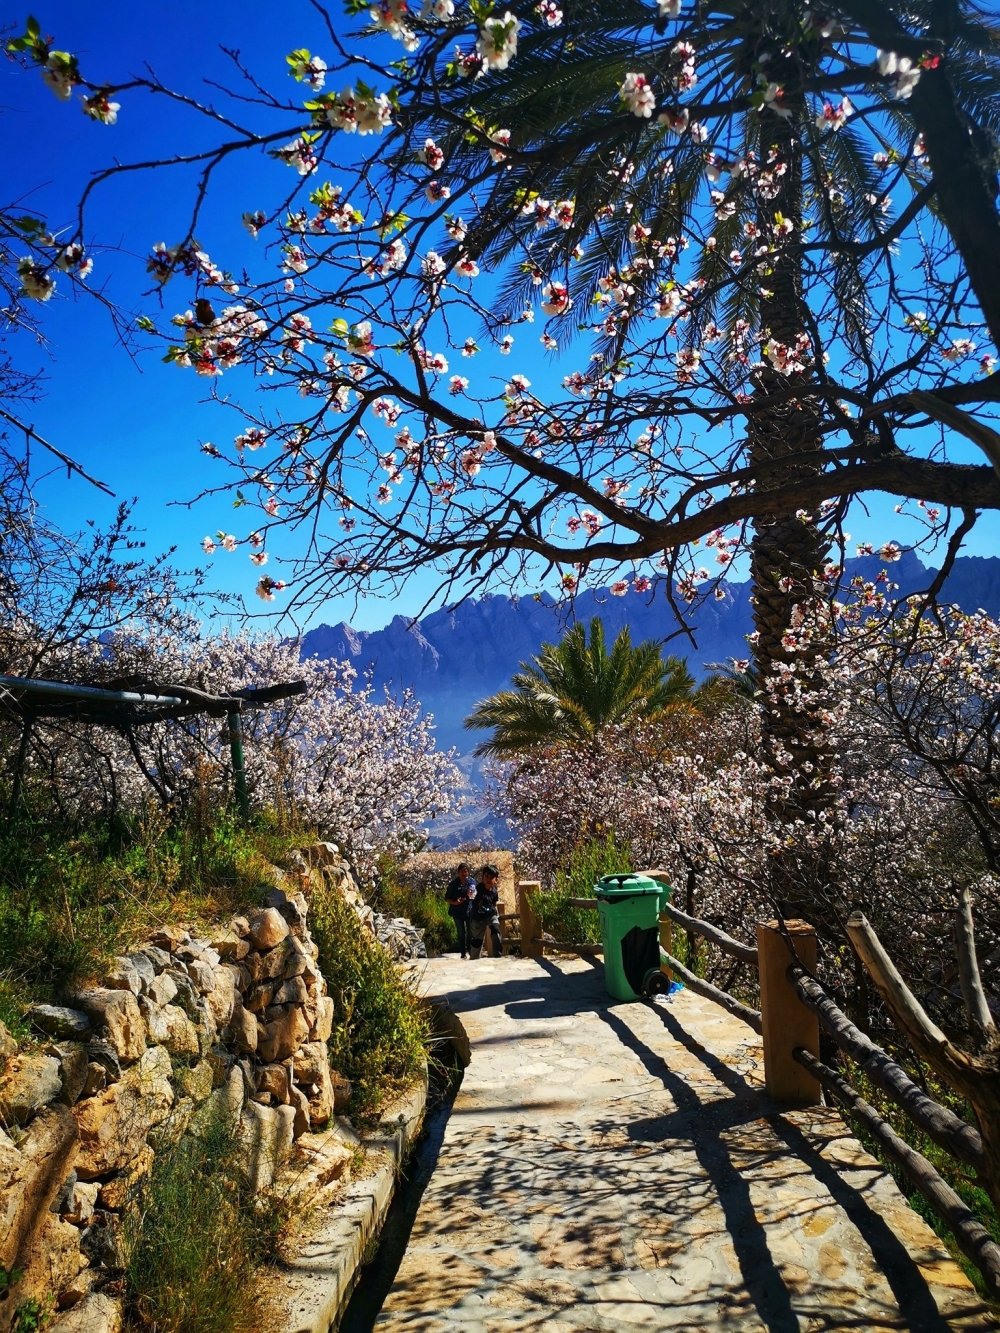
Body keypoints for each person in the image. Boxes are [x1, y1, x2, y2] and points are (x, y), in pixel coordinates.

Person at [469, 864, 503, 960]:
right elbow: (471, 897)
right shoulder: (477, 889)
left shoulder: (494, 892)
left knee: (495, 929)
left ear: (496, 879)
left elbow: (494, 903)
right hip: (477, 918)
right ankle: (474, 960)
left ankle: (498, 952)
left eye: (491, 877)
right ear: (482, 877)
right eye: (486, 876)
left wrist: (495, 914)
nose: (488, 879)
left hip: (490, 914)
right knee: (477, 941)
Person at [445, 862, 474, 959]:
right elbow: (447, 898)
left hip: (469, 910)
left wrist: (472, 895)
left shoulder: (471, 882)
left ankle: (470, 949)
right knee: (461, 933)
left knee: (470, 932)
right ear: (458, 873)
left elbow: (474, 894)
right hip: (457, 911)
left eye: (466, 872)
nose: (464, 874)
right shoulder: (453, 884)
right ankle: (463, 953)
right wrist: (455, 902)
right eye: (462, 872)